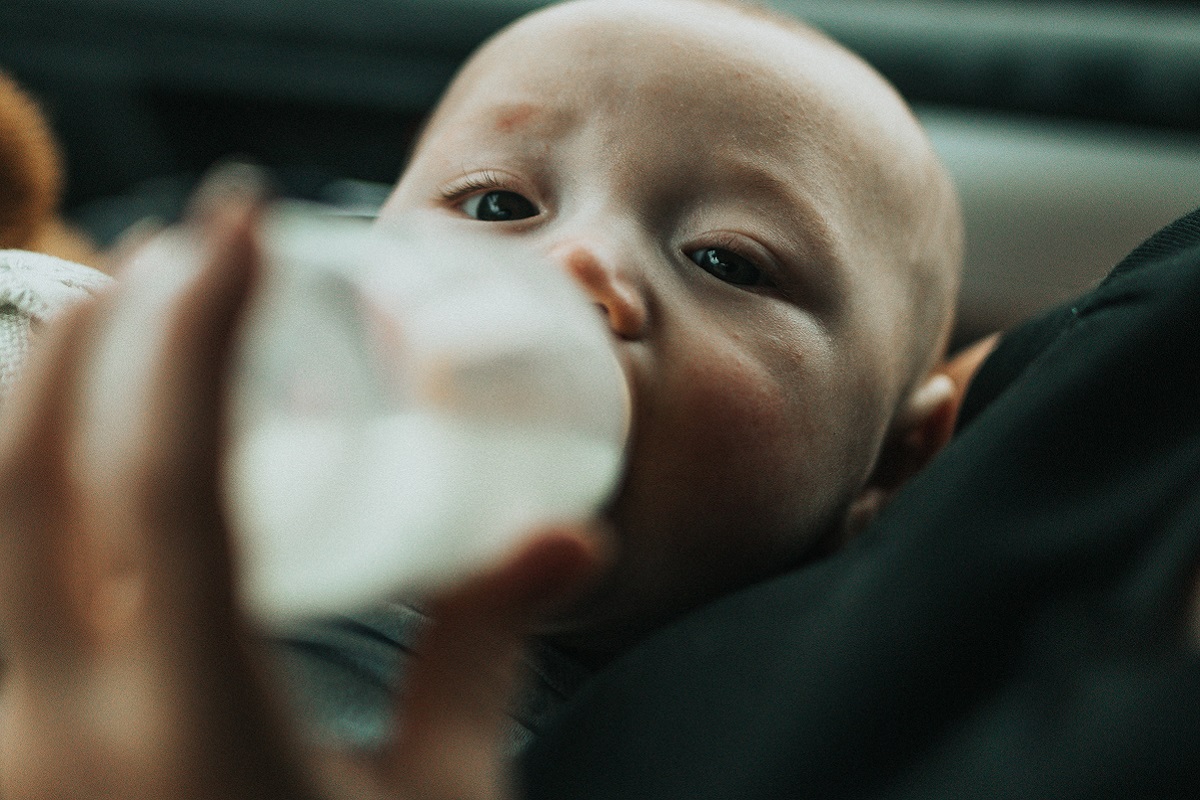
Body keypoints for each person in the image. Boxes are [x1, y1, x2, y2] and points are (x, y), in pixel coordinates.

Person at [0, 0, 970, 797]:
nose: (574, 263)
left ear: (893, 459)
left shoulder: (746, 733)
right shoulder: (230, 446)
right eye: (498, 204)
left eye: (724, 259)